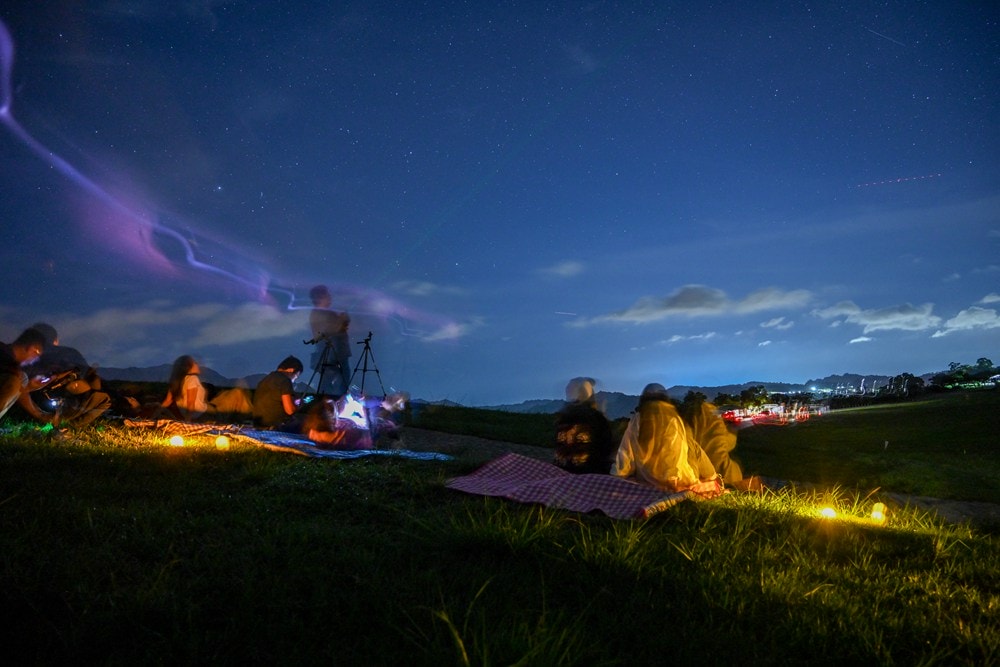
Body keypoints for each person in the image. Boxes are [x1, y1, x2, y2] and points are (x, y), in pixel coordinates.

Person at [611, 383, 717, 492]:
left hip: (647, 480)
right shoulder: (673, 418)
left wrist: (619, 476)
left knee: (690, 443)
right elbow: (675, 454)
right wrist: (673, 481)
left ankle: (711, 476)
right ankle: (712, 476)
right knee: (691, 444)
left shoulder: (636, 421)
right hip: (678, 481)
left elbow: (625, 454)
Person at [25, 323, 111, 428]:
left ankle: (51, 420)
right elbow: (89, 377)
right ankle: (70, 425)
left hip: (31, 406)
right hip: (61, 405)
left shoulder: (27, 355)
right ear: (56, 340)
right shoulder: (69, 352)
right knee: (104, 399)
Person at [160, 355, 252, 421]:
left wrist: (154, 415)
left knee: (225, 395)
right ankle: (253, 418)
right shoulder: (192, 379)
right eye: (195, 363)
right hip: (206, 414)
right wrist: (187, 421)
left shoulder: (177, 381)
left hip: (203, 409)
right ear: (189, 367)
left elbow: (167, 401)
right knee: (238, 393)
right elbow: (190, 404)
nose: (198, 364)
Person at [553, 377, 615, 474]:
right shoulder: (597, 418)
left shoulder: (562, 418)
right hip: (591, 473)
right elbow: (606, 447)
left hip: (561, 471)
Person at [0, 327, 57, 424]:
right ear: (33, 349)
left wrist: (29, 387)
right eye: (37, 356)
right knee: (15, 380)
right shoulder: (4, 357)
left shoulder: (12, 366)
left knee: (21, 378)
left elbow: (19, 388)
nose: (33, 361)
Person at [308, 284, 352, 396]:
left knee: (333, 380)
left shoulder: (319, 313)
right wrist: (342, 318)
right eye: (328, 294)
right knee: (333, 381)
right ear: (321, 297)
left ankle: (330, 404)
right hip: (333, 354)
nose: (330, 297)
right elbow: (334, 329)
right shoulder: (320, 314)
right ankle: (331, 404)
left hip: (334, 353)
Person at [252, 355, 303, 428]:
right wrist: (298, 405)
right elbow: (290, 410)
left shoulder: (265, 380)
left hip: (258, 425)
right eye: (296, 376)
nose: (295, 380)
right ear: (291, 370)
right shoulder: (285, 380)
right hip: (275, 427)